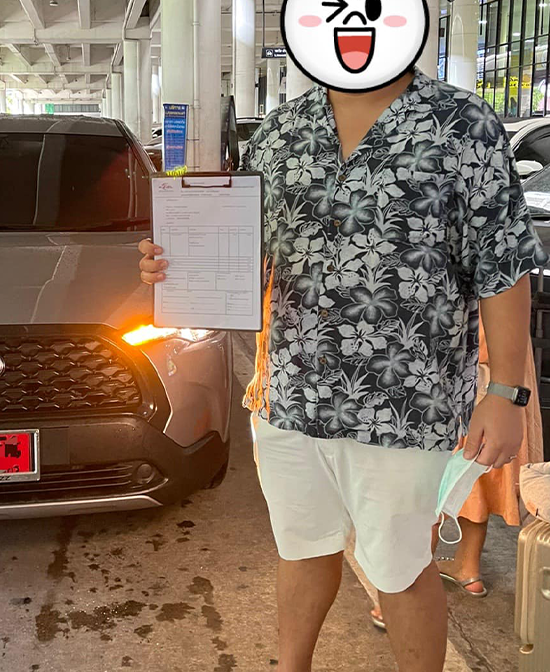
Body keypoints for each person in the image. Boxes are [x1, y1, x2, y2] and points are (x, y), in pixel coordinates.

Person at [138, 66, 547, 671]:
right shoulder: (282, 130)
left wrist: (506, 392)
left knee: (400, 569)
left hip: (406, 401)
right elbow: (250, 256)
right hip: (290, 393)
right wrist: (178, 265)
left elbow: (503, 264)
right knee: (301, 550)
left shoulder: (464, 123)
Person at [370, 321, 543, 627]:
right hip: (503, 368)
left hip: (459, 356)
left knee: (430, 474)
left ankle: (404, 587)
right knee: (477, 471)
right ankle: (467, 567)